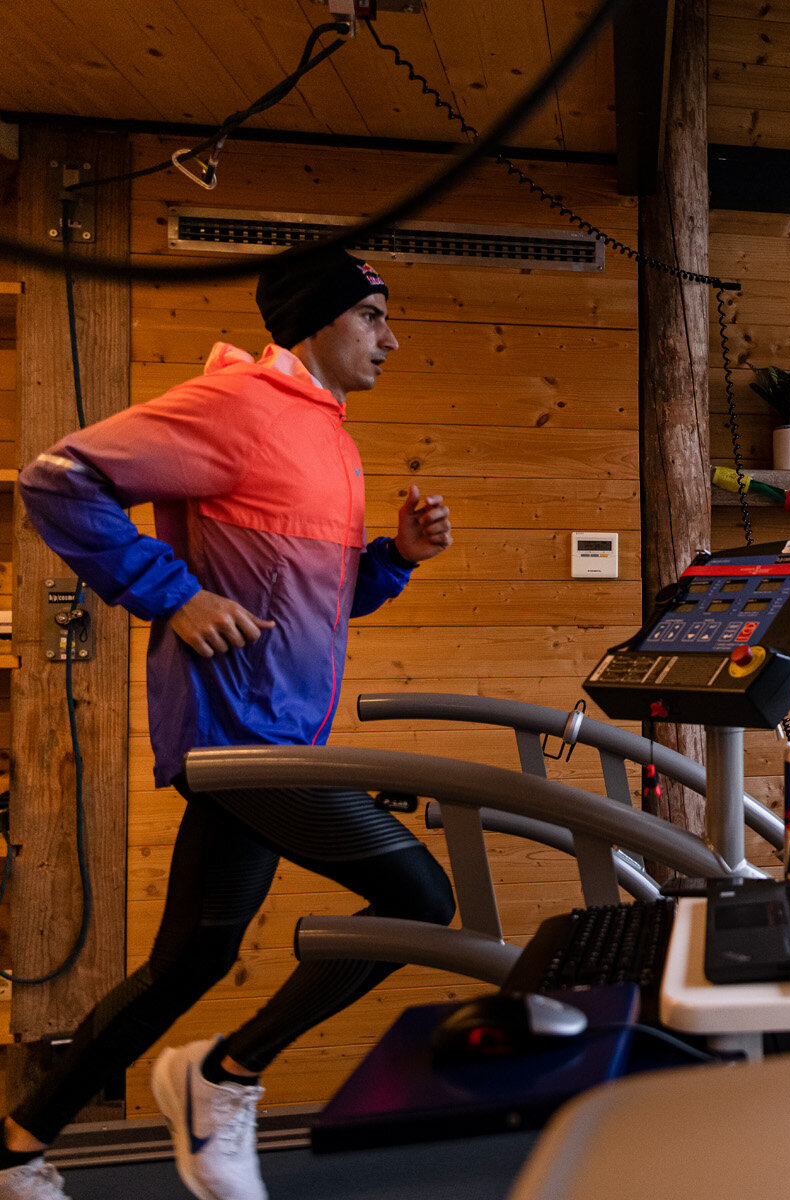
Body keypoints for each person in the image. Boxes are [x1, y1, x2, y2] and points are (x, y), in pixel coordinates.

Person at [1, 249, 458, 1200]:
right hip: (238, 735)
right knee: (420, 896)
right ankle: (226, 1079)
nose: (391, 336)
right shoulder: (236, 407)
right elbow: (56, 480)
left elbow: (311, 602)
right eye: (374, 315)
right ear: (318, 321)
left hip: (281, 732)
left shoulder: (330, 435)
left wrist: (393, 560)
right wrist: (169, 594)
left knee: (191, 960)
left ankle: (14, 1146)